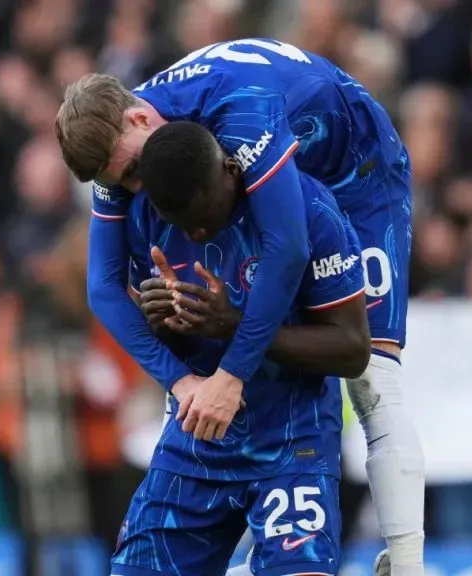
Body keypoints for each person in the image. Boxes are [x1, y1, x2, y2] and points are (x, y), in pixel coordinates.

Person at [56, 39, 423, 575]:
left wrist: (231, 372)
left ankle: (408, 565)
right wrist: (180, 381)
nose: (138, 189)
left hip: (353, 163)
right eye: (123, 184)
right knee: (196, 354)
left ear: (139, 117)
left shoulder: (237, 111)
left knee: (372, 379)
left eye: (133, 173)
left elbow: (288, 244)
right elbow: (104, 289)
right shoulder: (130, 145)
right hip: (250, 169)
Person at [111, 121, 366, 576]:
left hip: (291, 444)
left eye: (202, 216)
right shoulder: (145, 217)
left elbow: (350, 348)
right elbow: (175, 344)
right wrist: (164, 322)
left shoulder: (307, 210)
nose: (197, 233)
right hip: (197, 442)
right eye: (181, 225)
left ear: (230, 171)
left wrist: (234, 325)